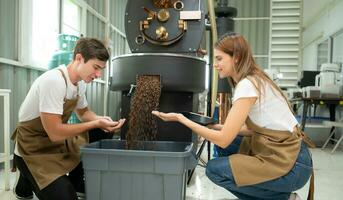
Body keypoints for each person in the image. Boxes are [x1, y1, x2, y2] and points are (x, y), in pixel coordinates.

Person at [152, 33, 315, 200]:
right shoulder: (255, 79)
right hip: (290, 154)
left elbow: (223, 139)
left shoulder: (247, 85)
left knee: (214, 170)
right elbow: (253, 130)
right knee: (225, 147)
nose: (215, 64)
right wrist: (215, 127)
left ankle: (285, 198)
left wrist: (181, 119)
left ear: (236, 57)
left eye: (219, 59)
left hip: (291, 164)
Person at [11, 37, 125, 200]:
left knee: (101, 130)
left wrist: (102, 120)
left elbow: (84, 113)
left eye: (102, 69)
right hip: (33, 146)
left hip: (53, 140)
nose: (98, 74)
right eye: (96, 67)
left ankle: (75, 183)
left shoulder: (80, 83)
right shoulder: (54, 80)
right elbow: (55, 133)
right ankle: (26, 173)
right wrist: (95, 123)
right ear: (79, 58)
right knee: (65, 197)